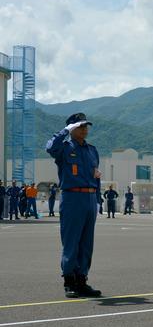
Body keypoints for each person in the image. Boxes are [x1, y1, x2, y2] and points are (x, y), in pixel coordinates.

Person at [45, 112, 101, 298]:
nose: (85, 129)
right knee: (71, 242)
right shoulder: (64, 148)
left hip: (90, 199)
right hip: (72, 198)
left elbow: (96, 175)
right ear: (72, 128)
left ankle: (82, 280)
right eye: (81, 126)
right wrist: (64, 131)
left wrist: (98, 199)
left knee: (87, 243)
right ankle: (69, 280)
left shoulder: (92, 150)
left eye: (86, 126)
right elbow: (50, 148)